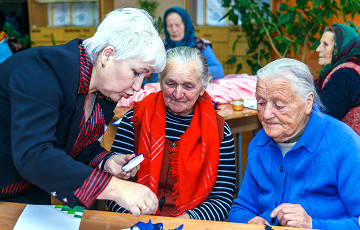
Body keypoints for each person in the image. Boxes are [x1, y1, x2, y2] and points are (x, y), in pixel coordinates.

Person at [0, 8, 167, 217]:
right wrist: (115, 188)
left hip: (29, 188)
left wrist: (105, 161)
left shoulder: (103, 93)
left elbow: (73, 144)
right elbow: (33, 155)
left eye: (145, 77)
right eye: (136, 73)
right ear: (107, 55)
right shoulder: (43, 71)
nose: (138, 87)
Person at [228, 58, 360, 229]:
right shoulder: (259, 144)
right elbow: (241, 208)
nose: (266, 114)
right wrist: (249, 221)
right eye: (261, 103)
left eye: (279, 105)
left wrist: (313, 224)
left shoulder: (344, 145)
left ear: (308, 102)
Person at [107, 46, 236, 221]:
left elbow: (222, 196)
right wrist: (139, 221)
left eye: (188, 86)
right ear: (160, 81)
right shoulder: (135, 119)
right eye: (170, 84)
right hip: (137, 220)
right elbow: (112, 184)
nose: (177, 93)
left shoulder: (220, 130)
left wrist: (188, 221)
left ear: (203, 86)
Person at [144, 7, 224, 84]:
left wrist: (188, 69)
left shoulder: (200, 44)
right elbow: (151, 75)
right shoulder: (161, 46)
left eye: (177, 25)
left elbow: (219, 71)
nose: (174, 30)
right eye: (170, 26)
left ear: (186, 25)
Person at [315, 23, 360, 135]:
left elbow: (323, 120)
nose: (317, 49)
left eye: (325, 44)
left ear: (339, 47)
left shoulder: (344, 75)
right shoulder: (351, 69)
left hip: (348, 150)